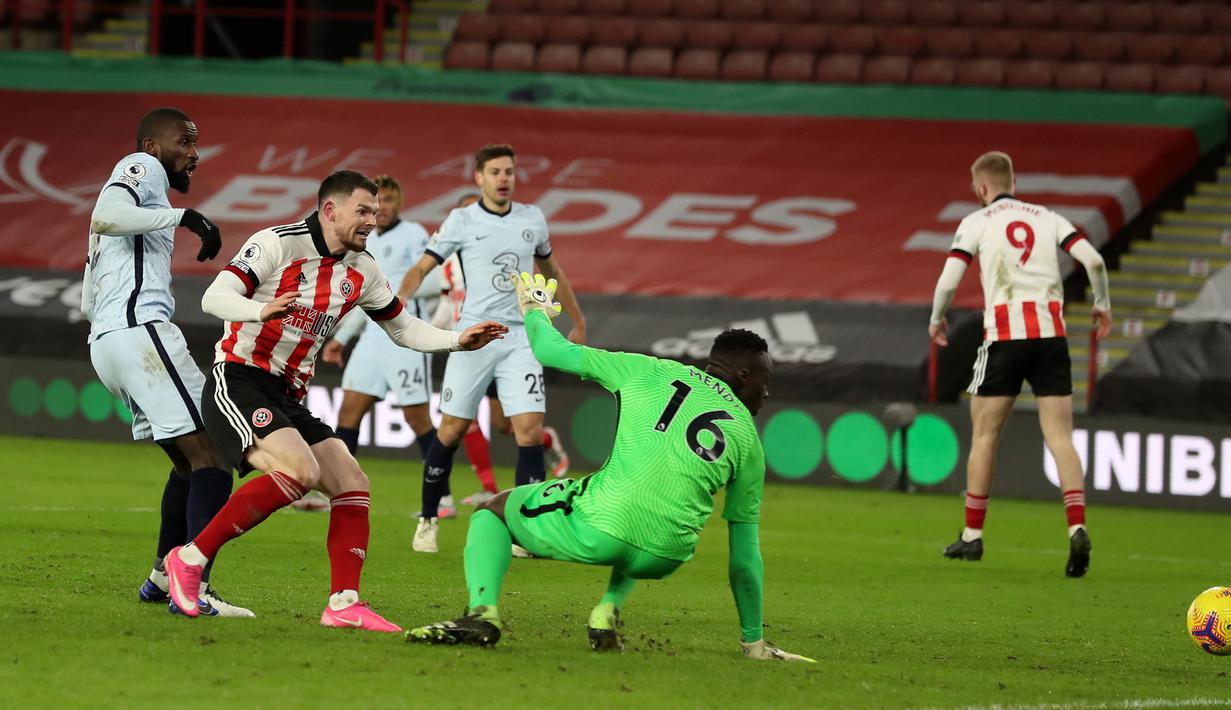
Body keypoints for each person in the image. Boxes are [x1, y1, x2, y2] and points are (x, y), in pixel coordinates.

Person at [161, 170, 506, 631]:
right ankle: (189, 558)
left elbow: (403, 328)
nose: (373, 219)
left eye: (376, 210)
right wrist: (259, 309)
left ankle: (343, 603)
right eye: (363, 211)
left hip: (289, 393)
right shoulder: (277, 244)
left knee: (351, 481)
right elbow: (214, 297)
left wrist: (458, 340)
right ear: (330, 210)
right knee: (300, 471)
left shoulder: (363, 270)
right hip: (239, 378)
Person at [406, 274, 812, 661]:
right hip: (666, 556)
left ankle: (482, 615)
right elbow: (745, 558)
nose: (767, 390)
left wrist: (534, 311)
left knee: (491, 513)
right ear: (742, 376)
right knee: (644, 505)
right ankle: (606, 611)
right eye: (765, 380)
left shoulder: (649, 369)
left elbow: (549, 352)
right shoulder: (749, 442)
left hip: (604, 530)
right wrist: (753, 642)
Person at [83, 107, 250, 617]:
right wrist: (187, 217)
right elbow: (105, 215)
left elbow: (90, 296)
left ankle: (163, 575)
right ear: (154, 147)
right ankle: (193, 588)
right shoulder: (140, 166)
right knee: (214, 457)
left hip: (108, 340)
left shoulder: (149, 194)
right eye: (185, 142)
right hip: (140, 332)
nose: (194, 153)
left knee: (185, 461)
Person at [928, 151, 1111, 578]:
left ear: (980, 188)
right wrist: (1101, 304)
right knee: (1060, 436)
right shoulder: (1048, 217)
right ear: (1014, 180)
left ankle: (972, 538)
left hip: (1005, 337)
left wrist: (937, 319)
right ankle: (1076, 527)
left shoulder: (976, 222)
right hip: (1051, 338)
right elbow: (1095, 261)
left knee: (985, 436)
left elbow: (949, 280)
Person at [397, 145, 586, 553]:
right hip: (475, 337)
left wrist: (578, 319)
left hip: (522, 336)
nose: (504, 178)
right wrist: (395, 310)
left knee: (530, 432)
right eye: (496, 171)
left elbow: (552, 271)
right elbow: (421, 268)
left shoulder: (532, 218)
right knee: (450, 431)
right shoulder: (462, 220)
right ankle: (429, 519)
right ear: (479, 178)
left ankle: (523, 532)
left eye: (510, 172)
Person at [316, 175, 453, 516]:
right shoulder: (364, 239)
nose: (385, 207)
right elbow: (365, 299)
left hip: (404, 338)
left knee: (417, 418)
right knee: (349, 411)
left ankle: (444, 496)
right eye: (380, 202)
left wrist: (396, 292)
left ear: (399, 202)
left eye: (390, 200)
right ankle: (339, 488)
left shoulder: (414, 234)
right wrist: (341, 339)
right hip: (372, 340)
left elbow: (436, 281)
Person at [429, 194, 570, 509]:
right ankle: (488, 487)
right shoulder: (448, 264)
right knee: (466, 423)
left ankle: (545, 441)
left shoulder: (501, 259)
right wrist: (428, 335)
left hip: (506, 343)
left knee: (505, 426)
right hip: (469, 347)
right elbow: (445, 306)